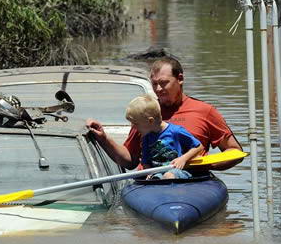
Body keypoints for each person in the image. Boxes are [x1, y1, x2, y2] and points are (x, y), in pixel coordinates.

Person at [86, 56, 242, 172]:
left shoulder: (205, 111)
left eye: (164, 83)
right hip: (153, 184)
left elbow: (235, 151)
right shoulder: (146, 111)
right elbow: (129, 160)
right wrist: (103, 138)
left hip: (191, 182)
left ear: (179, 79)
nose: (158, 89)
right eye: (154, 84)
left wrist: (205, 163)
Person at [125, 94, 203, 179]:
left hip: (177, 170)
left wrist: (183, 159)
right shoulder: (146, 138)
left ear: (150, 121)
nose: (133, 127)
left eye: (135, 123)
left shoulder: (176, 131)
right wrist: (149, 172)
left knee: (168, 176)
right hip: (157, 172)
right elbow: (145, 162)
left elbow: (198, 147)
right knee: (155, 179)